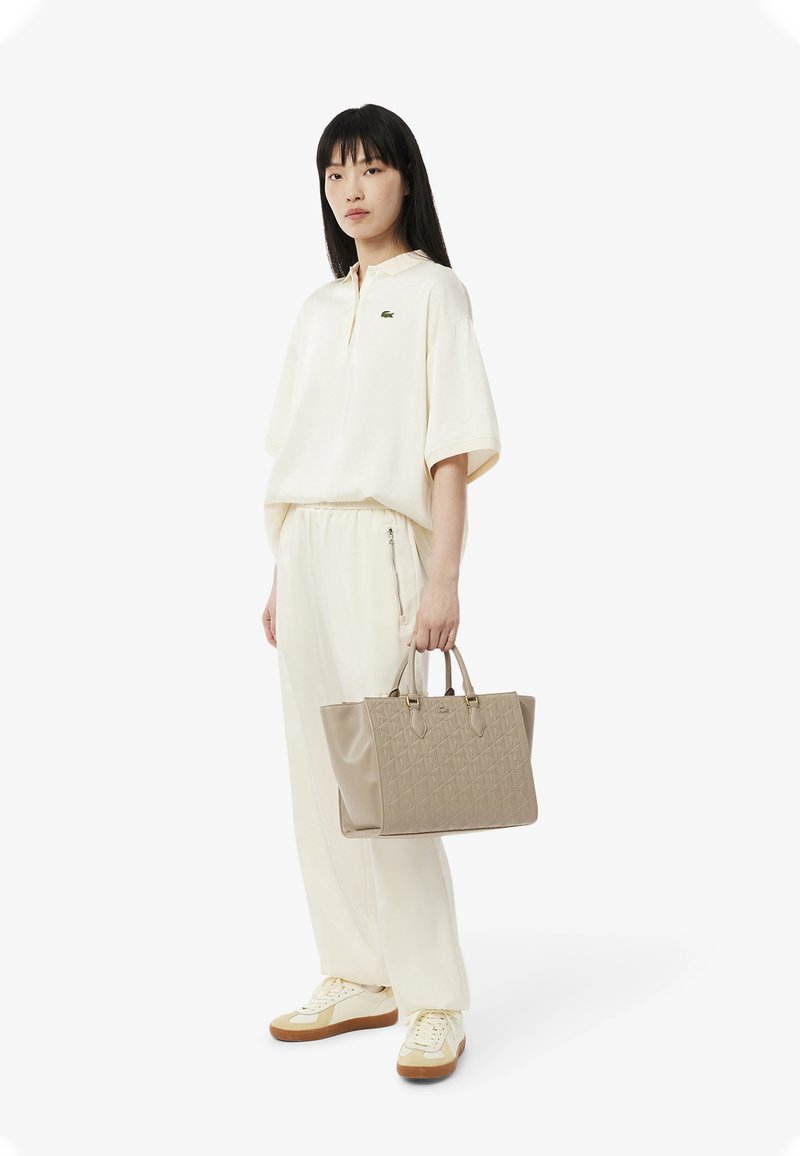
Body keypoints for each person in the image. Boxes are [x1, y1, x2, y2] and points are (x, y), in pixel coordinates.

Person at [260, 104, 501, 1080]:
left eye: (369, 168)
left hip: (384, 544)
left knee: (392, 780)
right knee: (319, 774)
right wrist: (281, 571)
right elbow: (295, 447)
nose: (351, 190)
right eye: (334, 173)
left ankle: (433, 996)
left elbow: (450, 449)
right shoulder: (318, 310)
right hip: (306, 547)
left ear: (405, 177)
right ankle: (358, 973)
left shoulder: (436, 293)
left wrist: (444, 578)